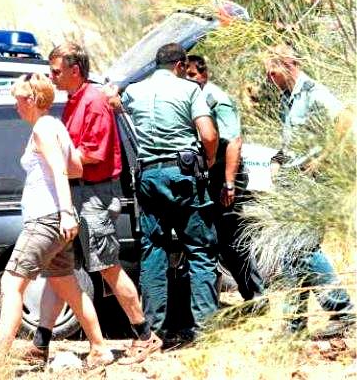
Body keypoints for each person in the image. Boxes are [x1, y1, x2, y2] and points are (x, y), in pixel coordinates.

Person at [25, 43, 161, 366]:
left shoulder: (94, 100)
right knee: (61, 269)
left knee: (107, 266)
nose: (51, 77)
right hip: (80, 193)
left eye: (56, 71)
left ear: (75, 70)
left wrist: (59, 161)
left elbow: (94, 154)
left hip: (95, 195)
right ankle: (41, 342)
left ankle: (144, 335)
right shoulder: (75, 101)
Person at [0, 73, 114, 368]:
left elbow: (62, 171)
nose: (16, 105)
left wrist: (65, 212)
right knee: (68, 286)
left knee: (11, 285)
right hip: (56, 222)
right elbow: (76, 168)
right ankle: (99, 348)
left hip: (45, 220)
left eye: (19, 99)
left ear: (32, 99)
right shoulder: (56, 126)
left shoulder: (43, 130)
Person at [120, 43, 219, 349]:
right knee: (200, 250)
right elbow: (208, 135)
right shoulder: (190, 91)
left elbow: (117, 108)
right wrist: (210, 161)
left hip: (148, 176)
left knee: (154, 250)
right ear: (179, 65)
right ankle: (206, 330)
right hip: (184, 174)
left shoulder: (134, 92)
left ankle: (154, 331)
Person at [264, 44, 355, 339]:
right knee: (291, 253)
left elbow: (344, 120)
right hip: (294, 184)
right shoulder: (288, 99)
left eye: (273, 68)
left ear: (289, 63)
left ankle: (344, 311)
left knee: (303, 249)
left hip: (314, 185)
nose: (269, 75)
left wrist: (322, 159)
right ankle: (295, 323)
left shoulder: (315, 92)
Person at [185, 55, 267, 309]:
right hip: (210, 174)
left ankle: (256, 296)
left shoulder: (216, 99)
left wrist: (228, 183)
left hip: (225, 175)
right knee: (217, 240)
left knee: (232, 239)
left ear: (204, 74)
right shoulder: (192, 98)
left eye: (192, 75)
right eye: (185, 75)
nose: (188, 80)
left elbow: (233, 142)